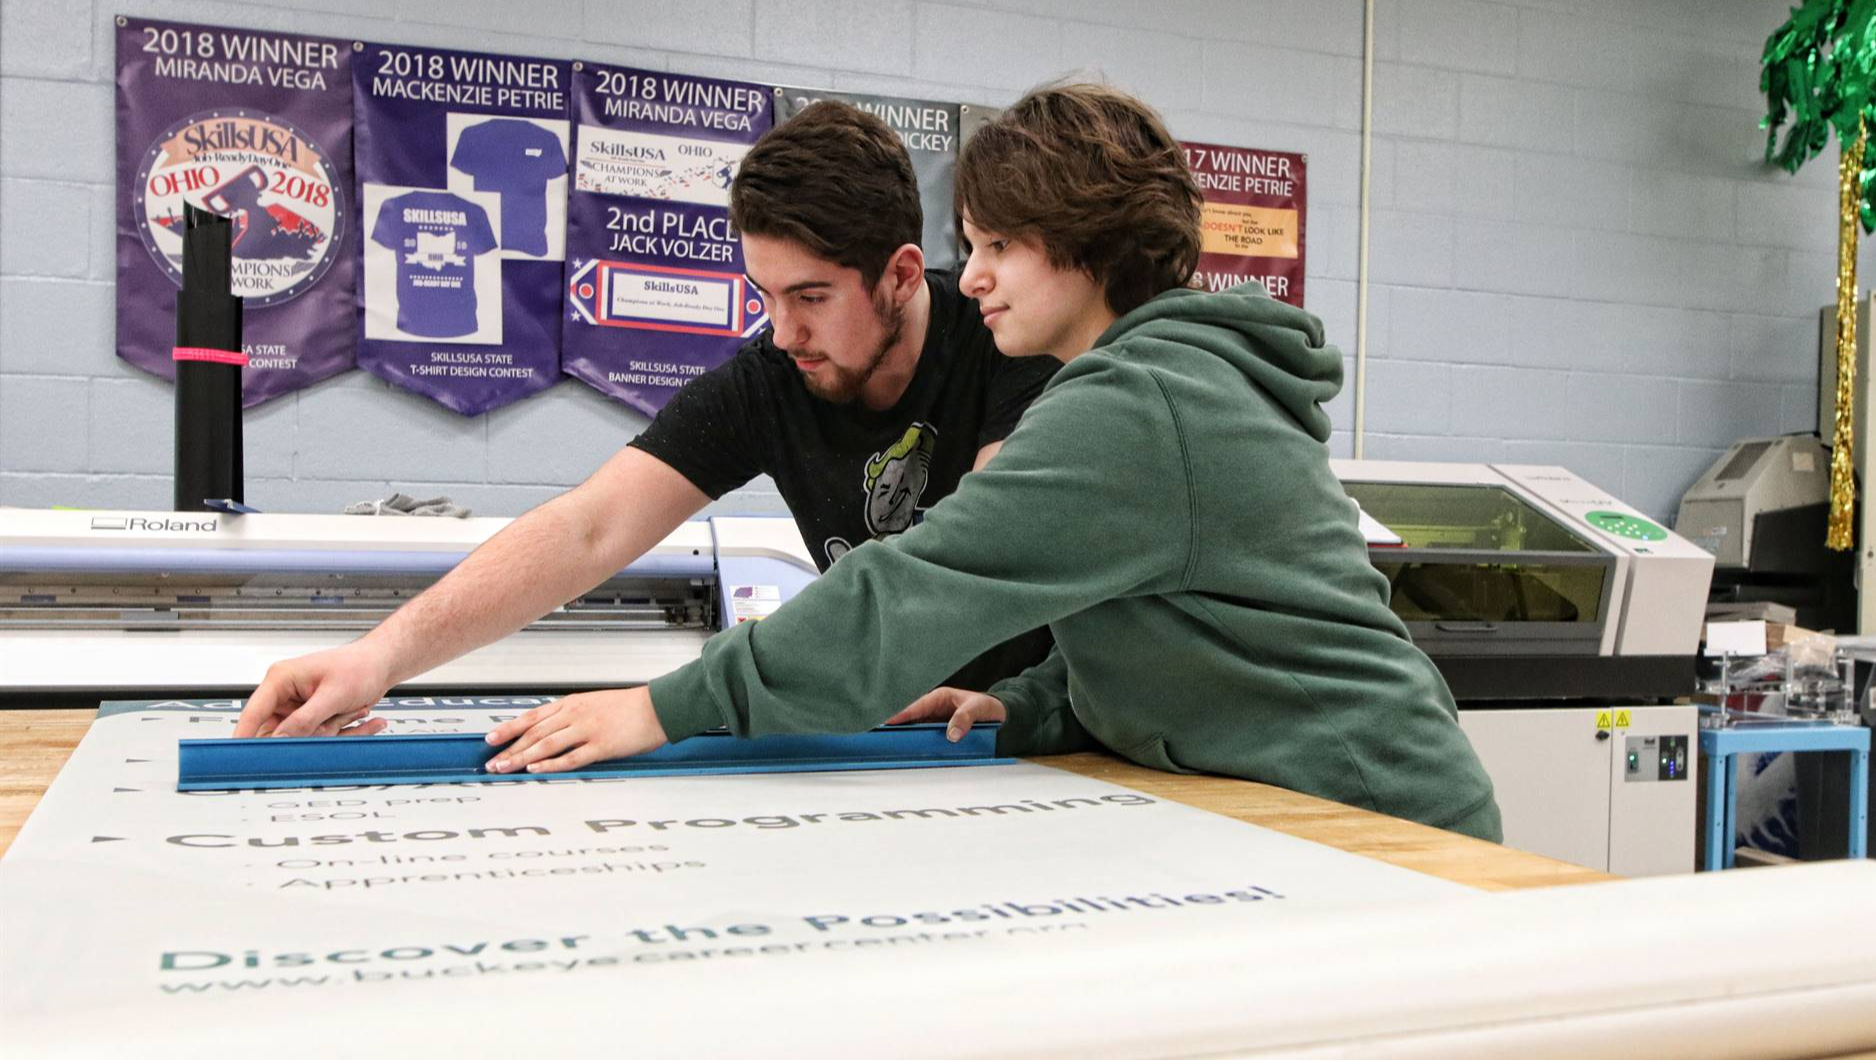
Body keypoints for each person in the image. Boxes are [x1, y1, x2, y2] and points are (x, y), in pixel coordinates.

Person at [481, 83, 1502, 841]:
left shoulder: (1138, 401)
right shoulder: (1154, 382)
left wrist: (666, 706)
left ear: (1086, 245)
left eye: (998, 247)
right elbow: (1166, 616)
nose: (970, 278)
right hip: (1296, 805)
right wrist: (1036, 702)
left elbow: (913, 587)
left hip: (1379, 820)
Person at [235, 102, 1059, 741]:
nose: (784, 331)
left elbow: (959, 567)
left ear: (903, 275)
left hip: (1044, 736)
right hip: (886, 740)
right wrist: (377, 656)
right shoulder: (776, 376)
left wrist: (670, 705)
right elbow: (588, 527)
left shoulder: (1005, 344)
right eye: (765, 296)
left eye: (811, 297)